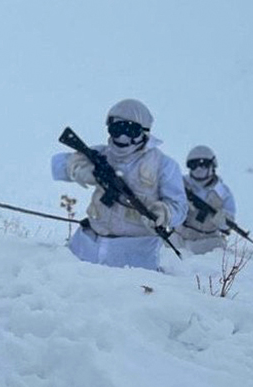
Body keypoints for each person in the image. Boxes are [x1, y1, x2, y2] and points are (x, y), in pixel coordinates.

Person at [51, 99, 187, 270]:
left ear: (144, 132)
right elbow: (56, 165)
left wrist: (164, 213)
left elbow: (180, 208)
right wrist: (78, 168)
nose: (123, 137)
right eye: (117, 130)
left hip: (133, 261)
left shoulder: (163, 165)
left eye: (130, 130)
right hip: (85, 249)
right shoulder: (101, 155)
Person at [173, 145, 237, 254]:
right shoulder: (179, 184)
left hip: (210, 242)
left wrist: (223, 221)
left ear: (212, 166)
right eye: (194, 165)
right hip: (180, 239)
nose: (198, 169)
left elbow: (229, 221)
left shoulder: (222, 191)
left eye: (204, 164)